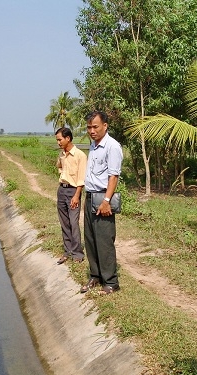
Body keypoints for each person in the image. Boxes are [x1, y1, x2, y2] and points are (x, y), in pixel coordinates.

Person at [80, 111, 123, 295]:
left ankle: (111, 282)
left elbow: (114, 176)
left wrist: (106, 201)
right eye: (89, 127)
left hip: (102, 198)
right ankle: (95, 275)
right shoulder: (93, 145)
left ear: (105, 126)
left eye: (95, 126)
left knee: (104, 241)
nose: (92, 130)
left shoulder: (112, 146)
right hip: (90, 196)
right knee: (90, 240)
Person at [55, 127, 87, 264]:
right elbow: (59, 166)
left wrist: (76, 195)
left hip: (74, 191)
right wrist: (63, 176)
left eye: (59, 139)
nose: (58, 142)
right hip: (62, 190)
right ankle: (67, 251)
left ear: (68, 138)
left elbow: (82, 177)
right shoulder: (62, 155)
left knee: (73, 223)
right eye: (57, 140)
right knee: (64, 222)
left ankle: (77, 253)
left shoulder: (80, 155)